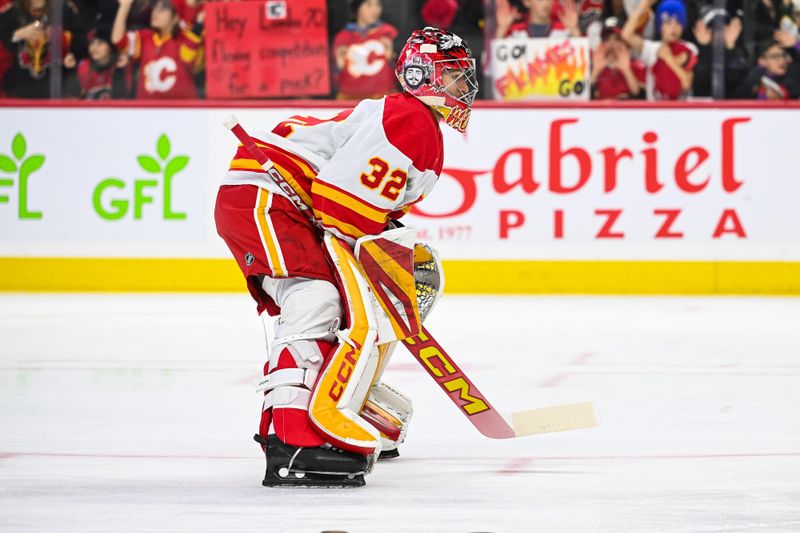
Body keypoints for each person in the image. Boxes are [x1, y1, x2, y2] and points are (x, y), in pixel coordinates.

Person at [214, 26, 477, 487]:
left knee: (353, 295)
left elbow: (355, 212)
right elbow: (341, 208)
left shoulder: (415, 123)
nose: (464, 87)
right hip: (264, 197)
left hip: (275, 200)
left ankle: (349, 403)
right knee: (315, 298)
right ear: (422, 75)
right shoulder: (410, 119)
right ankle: (292, 439)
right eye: (453, 75)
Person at [111, 0, 201, 99]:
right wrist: (124, 6)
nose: (155, 13)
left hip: (183, 109)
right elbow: (118, 39)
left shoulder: (185, 37)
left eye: (162, 9)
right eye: (155, 9)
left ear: (175, 17)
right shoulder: (145, 37)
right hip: (148, 110)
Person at [621, 0, 697, 100]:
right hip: (654, 111)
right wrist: (644, 5)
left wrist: (668, 59)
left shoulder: (690, 48)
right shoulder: (651, 49)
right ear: (660, 26)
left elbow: (686, 84)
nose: (673, 28)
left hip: (680, 110)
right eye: (668, 22)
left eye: (678, 23)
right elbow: (626, 35)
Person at [332, 0, 398, 99]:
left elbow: (402, 68)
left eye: (378, 5)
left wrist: (391, 54)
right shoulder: (343, 37)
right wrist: (339, 61)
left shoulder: (388, 33)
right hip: (350, 98)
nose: (375, 9)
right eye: (369, 4)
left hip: (382, 97)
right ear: (357, 8)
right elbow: (336, 73)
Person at [590, 17, 644, 99]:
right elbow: (581, 98)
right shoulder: (593, 67)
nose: (612, 44)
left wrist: (627, 71)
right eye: (607, 39)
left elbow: (643, 99)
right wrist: (596, 71)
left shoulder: (637, 67)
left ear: (626, 43)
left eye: (617, 39)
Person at [733, 38, 800, 99]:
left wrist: (796, 44)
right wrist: (763, 97)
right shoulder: (753, 78)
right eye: (774, 56)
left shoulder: (794, 72)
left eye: (783, 55)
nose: (781, 60)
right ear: (762, 61)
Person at [495, 0, 582, 39]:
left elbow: (580, 64)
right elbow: (496, 65)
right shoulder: (515, 31)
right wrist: (501, 29)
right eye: (540, 0)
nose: (546, 4)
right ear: (527, 2)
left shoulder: (563, 30)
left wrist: (574, 29)